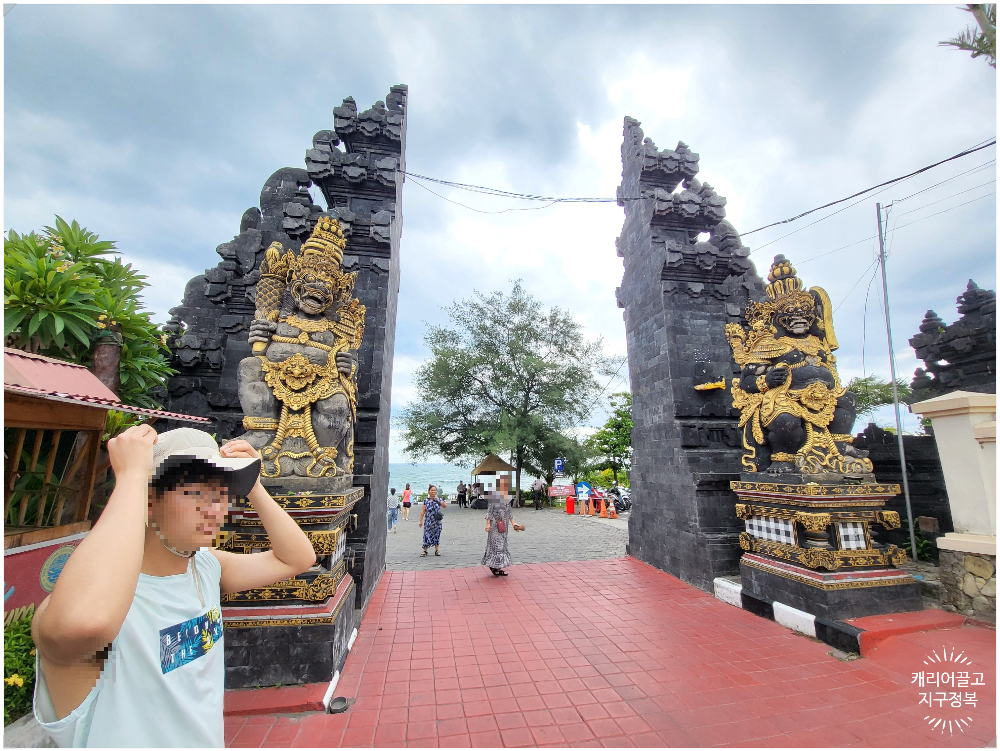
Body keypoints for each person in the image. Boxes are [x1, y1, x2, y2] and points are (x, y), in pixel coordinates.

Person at [30, 426, 316, 747]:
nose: (215, 510)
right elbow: (84, 624)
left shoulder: (205, 567)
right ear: (149, 499)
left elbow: (297, 558)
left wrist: (254, 485)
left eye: (222, 494)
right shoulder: (100, 603)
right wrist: (132, 478)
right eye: (196, 494)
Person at [482, 476, 524, 576]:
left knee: (502, 546)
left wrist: (514, 523)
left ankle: (496, 566)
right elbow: (489, 512)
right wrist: (488, 524)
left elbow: (509, 512)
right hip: (495, 526)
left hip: (504, 526)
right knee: (497, 546)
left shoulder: (507, 499)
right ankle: (494, 566)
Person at [418, 484, 447, 556]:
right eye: (432, 490)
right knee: (426, 535)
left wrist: (441, 502)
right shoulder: (426, 501)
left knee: (437, 534)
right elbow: (422, 511)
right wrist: (420, 521)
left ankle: (437, 550)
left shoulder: (439, 499)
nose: (433, 491)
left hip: (437, 521)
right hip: (428, 521)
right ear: (428, 492)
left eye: (434, 490)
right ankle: (425, 550)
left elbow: (445, 506)